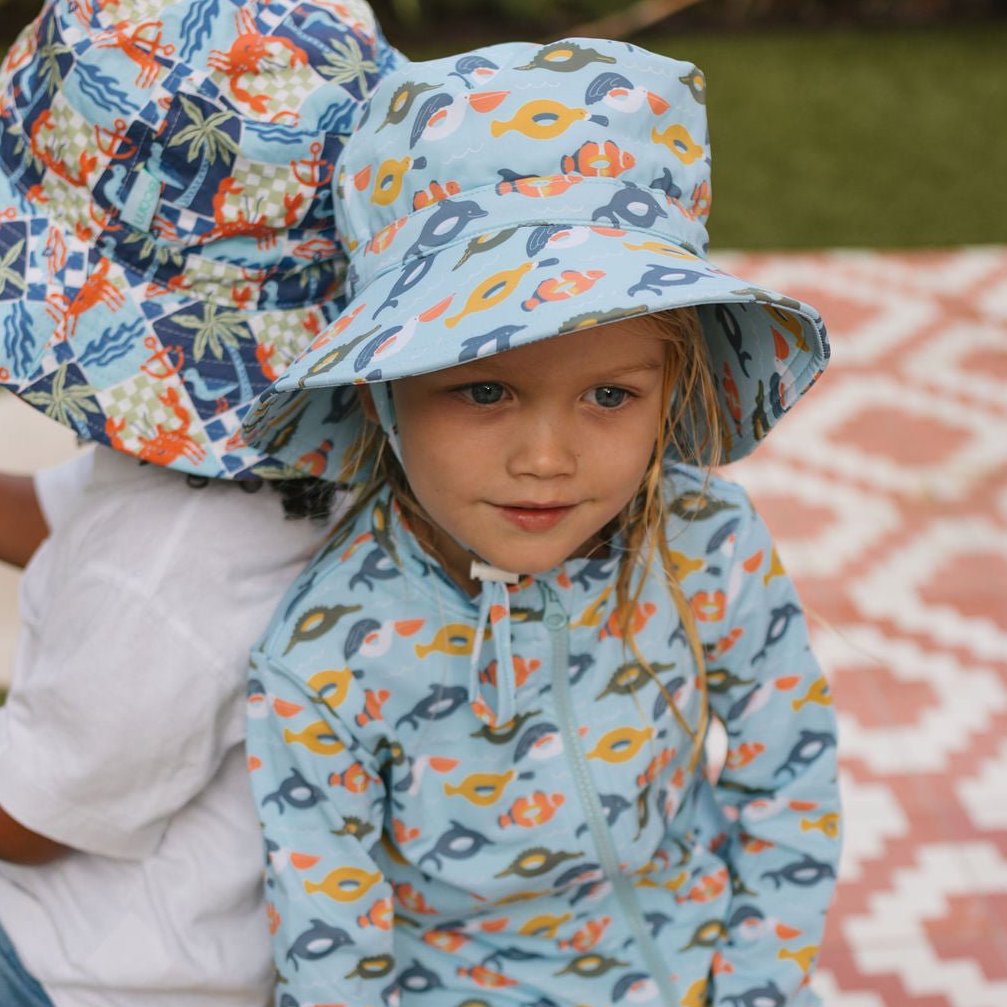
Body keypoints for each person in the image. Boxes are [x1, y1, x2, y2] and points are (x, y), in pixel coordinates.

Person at [241, 38, 841, 1007]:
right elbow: (333, 943)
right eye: (483, 389)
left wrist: (758, 980)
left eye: (608, 394)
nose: (547, 459)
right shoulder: (324, 657)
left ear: (672, 385)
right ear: (384, 394)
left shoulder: (705, 541)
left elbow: (788, 767)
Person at [0, 1, 402, 1004]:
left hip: (78, 967)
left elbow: (35, 819)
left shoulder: (163, 559)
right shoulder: (255, 464)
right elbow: (73, 513)